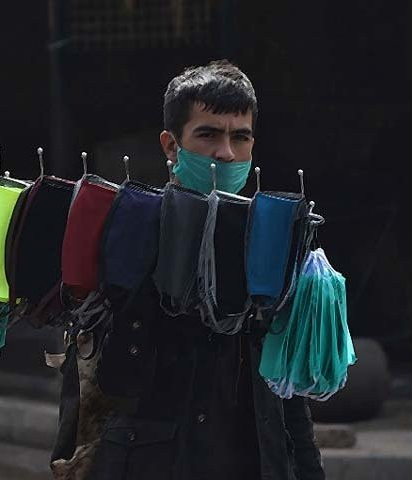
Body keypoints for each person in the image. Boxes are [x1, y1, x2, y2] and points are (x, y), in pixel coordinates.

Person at [88, 60, 325, 480]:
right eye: (208, 134)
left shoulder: (272, 242)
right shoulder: (134, 229)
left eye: (240, 137)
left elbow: (290, 398)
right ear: (170, 145)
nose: (226, 153)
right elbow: (92, 382)